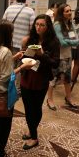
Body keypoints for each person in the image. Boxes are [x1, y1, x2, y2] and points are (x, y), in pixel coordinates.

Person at [0, 20, 33, 157]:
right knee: (4, 125)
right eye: (11, 32)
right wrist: (22, 68)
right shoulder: (5, 51)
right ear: (6, 34)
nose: (12, 35)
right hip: (3, 93)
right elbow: (6, 77)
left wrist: (14, 57)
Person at [20, 14, 60, 149]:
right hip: (27, 77)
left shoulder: (53, 42)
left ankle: (34, 137)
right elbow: (24, 58)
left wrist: (42, 55)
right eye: (37, 24)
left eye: (42, 25)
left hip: (41, 79)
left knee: (35, 109)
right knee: (27, 108)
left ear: (48, 27)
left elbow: (55, 64)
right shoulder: (31, 39)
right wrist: (23, 53)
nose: (38, 27)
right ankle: (32, 130)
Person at [46, 4, 79, 110]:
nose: (69, 12)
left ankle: (68, 97)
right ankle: (49, 99)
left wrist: (68, 41)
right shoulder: (57, 25)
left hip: (68, 55)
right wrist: (70, 42)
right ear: (61, 13)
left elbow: (76, 41)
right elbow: (62, 43)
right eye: (66, 11)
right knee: (53, 79)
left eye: (70, 10)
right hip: (58, 56)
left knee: (67, 78)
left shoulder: (71, 24)